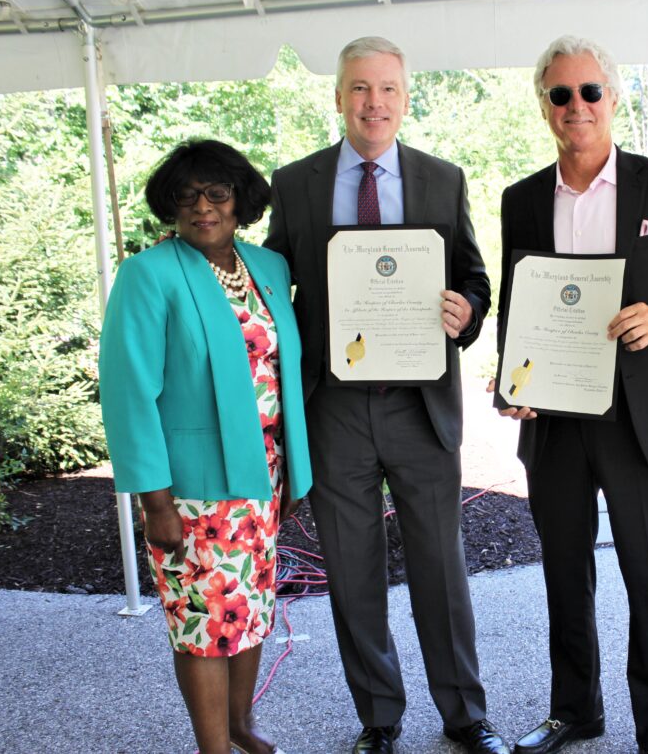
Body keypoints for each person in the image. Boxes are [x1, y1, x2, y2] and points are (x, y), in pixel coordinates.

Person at [263, 37, 507, 754]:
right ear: (338, 98)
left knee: (441, 568)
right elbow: (278, 289)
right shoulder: (297, 182)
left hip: (417, 403)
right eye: (360, 89)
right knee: (351, 570)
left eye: (388, 89)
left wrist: (467, 309)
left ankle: (464, 714)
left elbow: (473, 276)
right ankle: (378, 716)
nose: (375, 103)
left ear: (406, 98)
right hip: (335, 406)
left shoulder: (442, 179)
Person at [493, 36, 648, 754]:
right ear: (544, 106)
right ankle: (575, 711)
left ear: (614, 98)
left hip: (643, 418)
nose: (576, 106)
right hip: (556, 419)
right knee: (564, 574)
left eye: (590, 91)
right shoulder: (522, 199)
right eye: (560, 94)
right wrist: (511, 384)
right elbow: (516, 301)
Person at [99, 139, 312, 754]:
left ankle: (241, 727)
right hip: (190, 486)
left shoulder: (268, 268)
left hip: (263, 474)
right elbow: (129, 393)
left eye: (217, 193)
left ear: (240, 201)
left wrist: (293, 467)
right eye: (187, 196)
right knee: (203, 621)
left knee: (248, 606)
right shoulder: (148, 275)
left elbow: (282, 369)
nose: (203, 207)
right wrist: (153, 500)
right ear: (170, 205)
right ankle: (213, 747)